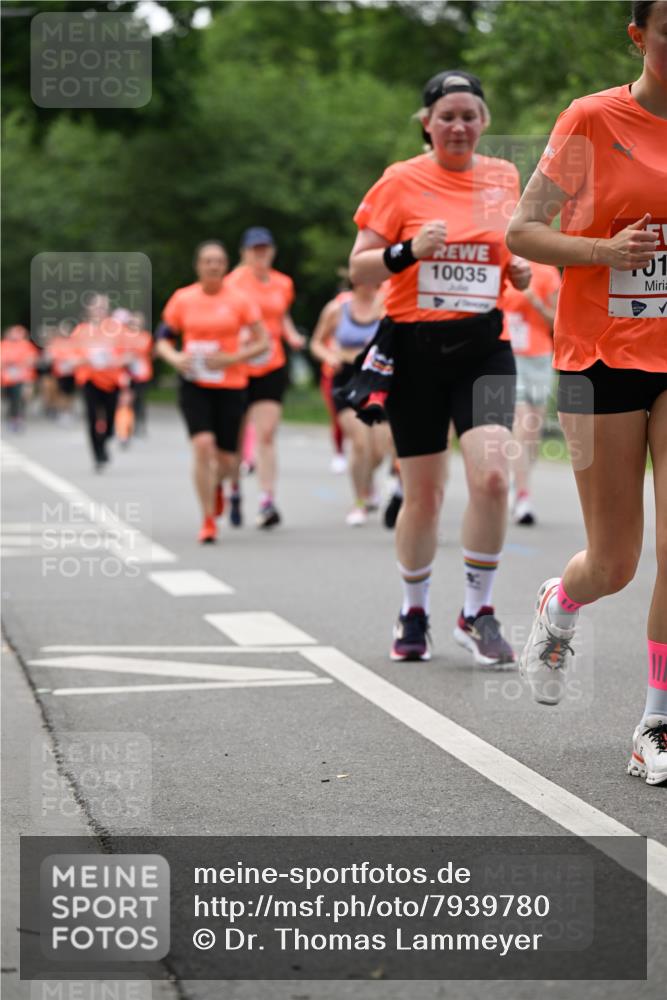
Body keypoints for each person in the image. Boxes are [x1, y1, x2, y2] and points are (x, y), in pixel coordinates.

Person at [506, 0, 667, 785]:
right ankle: (560, 603)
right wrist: (606, 250)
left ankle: (655, 724)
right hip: (598, 354)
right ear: (638, 34)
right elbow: (523, 231)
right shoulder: (589, 120)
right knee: (614, 562)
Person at [349, 69, 531, 664]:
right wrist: (407, 251)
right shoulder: (400, 180)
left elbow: (506, 251)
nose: (458, 125)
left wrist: (517, 271)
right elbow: (360, 270)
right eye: (446, 115)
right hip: (415, 353)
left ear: (484, 123)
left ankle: (477, 612)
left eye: (469, 115)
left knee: (495, 477)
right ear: (426, 124)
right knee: (423, 495)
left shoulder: (504, 177)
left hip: (483, 348)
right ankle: (414, 609)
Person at [156, 240, 269, 543]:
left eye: (219, 261)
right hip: (194, 382)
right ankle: (207, 519)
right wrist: (175, 358)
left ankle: (217, 486)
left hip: (230, 384)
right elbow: (163, 339)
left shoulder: (239, 300)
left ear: (226, 265)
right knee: (202, 445)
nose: (214, 266)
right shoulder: (183, 299)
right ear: (198, 266)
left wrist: (232, 358)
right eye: (208, 261)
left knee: (228, 461)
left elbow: (263, 342)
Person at [225, 227, 306, 528]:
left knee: (267, 434)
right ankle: (234, 491)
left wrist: (292, 335)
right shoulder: (232, 284)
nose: (260, 254)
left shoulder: (283, 283)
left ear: (272, 251)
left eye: (265, 249)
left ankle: (266, 500)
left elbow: (281, 315)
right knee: (233, 439)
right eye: (254, 250)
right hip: (239, 366)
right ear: (244, 253)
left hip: (272, 363)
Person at [310, 282, 391, 525]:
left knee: (378, 450)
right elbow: (316, 342)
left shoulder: (388, 303)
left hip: (378, 378)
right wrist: (329, 356)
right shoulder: (337, 309)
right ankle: (359, 502)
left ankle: (367, 480)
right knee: (359, 442)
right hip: (345, 378)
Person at [504, 262, 561, 524]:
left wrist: (535, 302)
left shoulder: (547, 272)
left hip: (538, 357)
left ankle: (519, 481)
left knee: (532, 432)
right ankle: (524, 496)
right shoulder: (505, 264)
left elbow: (558, 322)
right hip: (509, 355)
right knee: (522, 421)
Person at [69, 294, 127, 469]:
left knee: (110, 418)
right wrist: (88, 359)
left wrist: (113, 360)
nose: (100, 310)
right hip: (90, 379)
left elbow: (128, 354)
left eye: (103, 307)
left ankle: (106, 437)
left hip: (112, 380)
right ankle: (98, 454)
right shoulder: (80, 331)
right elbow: (72, 357)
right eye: (96, 307)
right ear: (89, 309)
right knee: (93, 418)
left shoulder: (117, 330)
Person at [0, 325, 38, 431]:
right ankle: (12, 416)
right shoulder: (4, 345)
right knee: (11, 398)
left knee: (20, 397)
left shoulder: (26, 345)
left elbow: (31, 360)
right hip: (7, 378)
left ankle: (17, 418)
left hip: (22, 377)